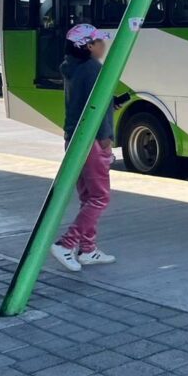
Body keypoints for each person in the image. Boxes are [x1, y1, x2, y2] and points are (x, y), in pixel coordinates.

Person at [50, 24, 121, 270]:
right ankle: (66, 243)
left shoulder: (71, 67)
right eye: (100, 41)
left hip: (74, 137)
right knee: (100, 197)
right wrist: (105, 136)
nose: (104, 45)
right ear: (89, 46)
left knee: (88, 197)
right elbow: (96, 108)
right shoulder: (93, 68)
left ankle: (88, 249)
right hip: (92, 140)